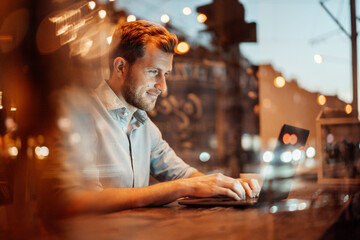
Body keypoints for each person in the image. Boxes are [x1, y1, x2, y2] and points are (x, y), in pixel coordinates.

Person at [39, 20, 260, 218]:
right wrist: (183, 187)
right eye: (154, 71)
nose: (163, 87)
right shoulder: (81, 113)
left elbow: (182, 174)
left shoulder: (144, 124)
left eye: (166, 74)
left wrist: (224, 186)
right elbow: (73, 201)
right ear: (120, 67)